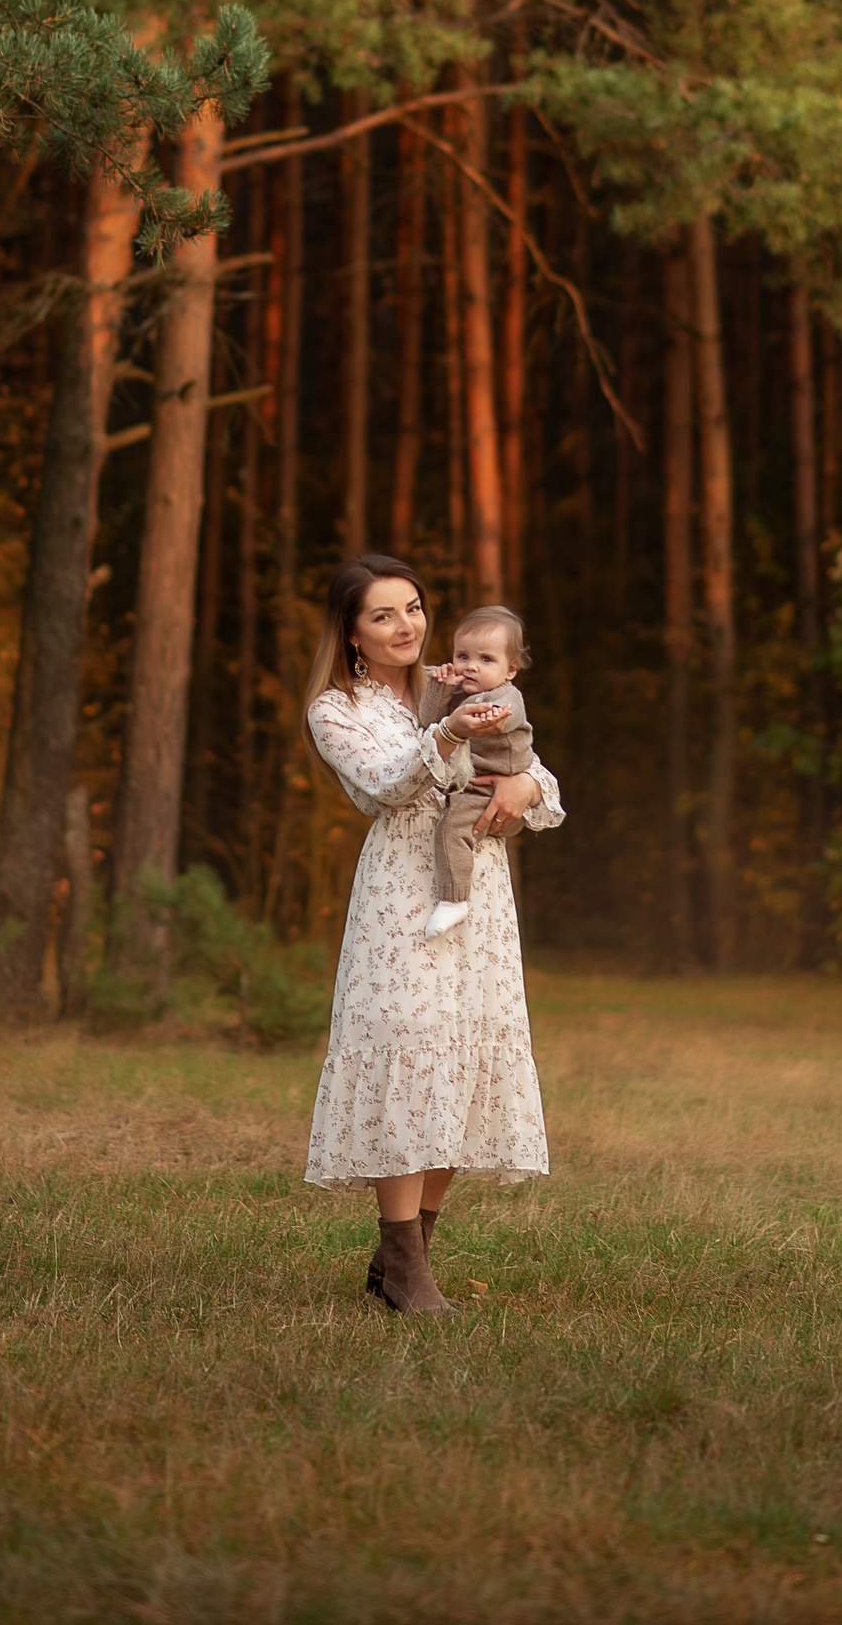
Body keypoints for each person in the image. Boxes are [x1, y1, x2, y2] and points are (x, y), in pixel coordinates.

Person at [302, 555, 564, 1316]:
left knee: (462, 1060)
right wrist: (446, 731)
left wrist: (524, 785)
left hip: (479, 896)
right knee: (408, 1057)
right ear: (351, 633)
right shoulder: (335, 708)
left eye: (412, 607)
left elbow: (536, 772)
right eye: (381, 615)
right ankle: (406, 1266)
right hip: (400, 898)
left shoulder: (463, 675)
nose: (404, 625)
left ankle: (404, 1258)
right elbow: (383, 786)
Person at [418, 605, 537, 941]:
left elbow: (499, 719)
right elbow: (428, 722)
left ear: (510, 669)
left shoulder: (506, 696)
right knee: (453, 822)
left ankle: (454, 899)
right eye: (462, 655)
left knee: (451, 829)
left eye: (486, 659)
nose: (470, 666)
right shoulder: (460, 693)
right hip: (473, 782)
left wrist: (478, 717)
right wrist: (440, 688)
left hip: (493, 786)